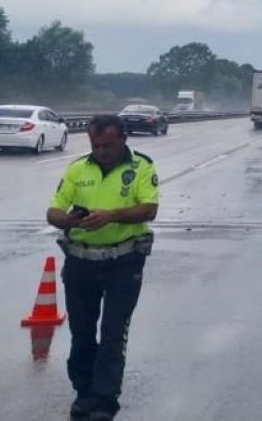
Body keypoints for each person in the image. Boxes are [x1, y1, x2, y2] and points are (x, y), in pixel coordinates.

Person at [45, 113, 159, 421]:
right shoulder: (77, 168)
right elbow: (53, 211)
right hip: (81, 261)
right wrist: (67, 220)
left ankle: (106, 400)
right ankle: (84, 393)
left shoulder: (141, 167)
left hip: (124, 262)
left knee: (112, 333)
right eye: (96, 145)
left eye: (107, 145)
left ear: (123, 139)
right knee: (81, 334)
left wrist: (110, 216)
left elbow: (149, 209)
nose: (101, 151)